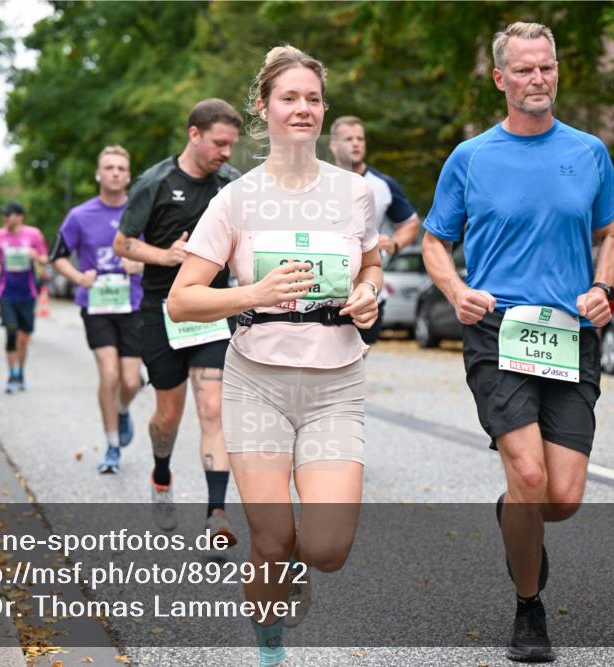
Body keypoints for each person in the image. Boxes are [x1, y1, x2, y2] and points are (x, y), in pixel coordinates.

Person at [167, 45, 382, 667]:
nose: (303, 109)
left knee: (328, 547)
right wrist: (254, 294)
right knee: (271, 540)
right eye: (289, 97)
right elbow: (183, 301)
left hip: (335, 382)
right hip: (256, 382)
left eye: (313, 98)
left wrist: (368, 292)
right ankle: (270, 647)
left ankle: (293, 567)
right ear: (263, 107)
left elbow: (369, 262)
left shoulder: (353, 193)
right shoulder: (236, 200)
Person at [421, 22, 614, 663]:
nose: (539, 80)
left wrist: (602, 287)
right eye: (526, 70)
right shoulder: (472, 156)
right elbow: (434, 242)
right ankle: (529, 610)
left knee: (558, 498)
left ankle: (516, 512)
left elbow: (609, 236)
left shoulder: (589, 151)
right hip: (497, 332)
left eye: (548, 68)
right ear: (500, 78)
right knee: (531, 474)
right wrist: (456, 291)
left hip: (570, 334)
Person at [112, 99, 242, 541]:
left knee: (212, 408)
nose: (226, 152)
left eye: (231, 144)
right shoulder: (156, 181)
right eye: (219, 143)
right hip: (161, 313)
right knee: (167, 418)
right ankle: (161, 473)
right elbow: (123, 243)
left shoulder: (232, 184)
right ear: (194, 134)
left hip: (212, 311)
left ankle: (217, 514)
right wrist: (165, 255)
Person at [51, 145, 145, 474]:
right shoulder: (80, 216)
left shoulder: (140, 212)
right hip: (97, 305)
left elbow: (158, 253)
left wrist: (140, 264)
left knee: (131, 382)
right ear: (98, 173)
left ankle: (121, 410)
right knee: (109, 373)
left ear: (128, 175)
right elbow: (58, 256)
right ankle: (112, 446)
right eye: (109, 167)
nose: (115, 172)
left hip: (133, 304)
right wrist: (79, 277)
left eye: (121, 167)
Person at [329, 115, 420, 344]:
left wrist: (395, 244)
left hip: (367, 290)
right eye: (348, 139)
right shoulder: (319, 180)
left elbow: (410, 222)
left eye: (360, 138)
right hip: (326, 290)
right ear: (332, 145)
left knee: (358, 361)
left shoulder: (382, 184)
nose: (356, 143)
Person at [0, 202, 48, 394]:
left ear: (19, 216)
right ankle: (11, 374)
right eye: (4, 216)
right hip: (6, 292)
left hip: (27, 292)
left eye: (8, 215)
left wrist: (35, 255)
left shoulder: (34, 234)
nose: (5, 219)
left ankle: (21, 371)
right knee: (10, 332)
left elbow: (45, 259)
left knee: (23, 338)